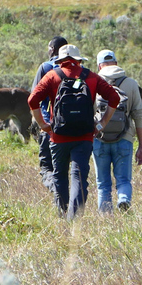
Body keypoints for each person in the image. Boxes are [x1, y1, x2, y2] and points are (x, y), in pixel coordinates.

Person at [28, 44, 120, 219]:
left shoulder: (52, 76)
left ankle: (63, 216)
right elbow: (114, 98)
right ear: (79, 60)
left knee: (60, 176)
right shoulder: (91, 77)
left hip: (58, 136)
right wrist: (101, 124)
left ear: (60, 60)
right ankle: (74, 219)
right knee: (79, 177)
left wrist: (43, 125)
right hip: (84, 136)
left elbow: (32, 100)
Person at [93, 49, 142, 213]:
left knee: (103, 183)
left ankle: (105, 216)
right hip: (125, 138)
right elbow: (139, 115)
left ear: (99, 66)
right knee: (123, 179)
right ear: (116, 63)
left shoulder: (93, 83)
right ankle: (123, 200)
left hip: (99, 138)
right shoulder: (131, 83)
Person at [31, 36, 68, 192]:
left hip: (49, 125)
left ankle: (57, 191)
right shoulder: (77, 68)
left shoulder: (45, 67)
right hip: (72, 126)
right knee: (64, 167)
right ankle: (66, 196)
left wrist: (40, 123)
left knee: (47, 167)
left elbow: (34, 97)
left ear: (52, 49)